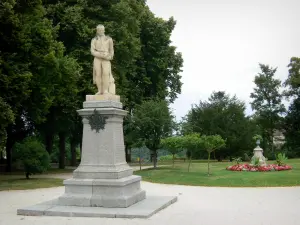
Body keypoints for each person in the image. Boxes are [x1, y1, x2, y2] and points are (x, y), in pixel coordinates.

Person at [90, 24, 115, 95]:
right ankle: (99, 90)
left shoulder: (109, 39)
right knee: (98, 74)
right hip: (97, 58)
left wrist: (110, 57)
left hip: (106, 58)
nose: (100, 31)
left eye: (101, 29)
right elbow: (92, 51)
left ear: (104, 30)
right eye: (99, 30)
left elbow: (111, 50)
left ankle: (106, 90)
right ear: (97, 31)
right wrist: (100, 55)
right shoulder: (94, 39)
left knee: (106, 73)